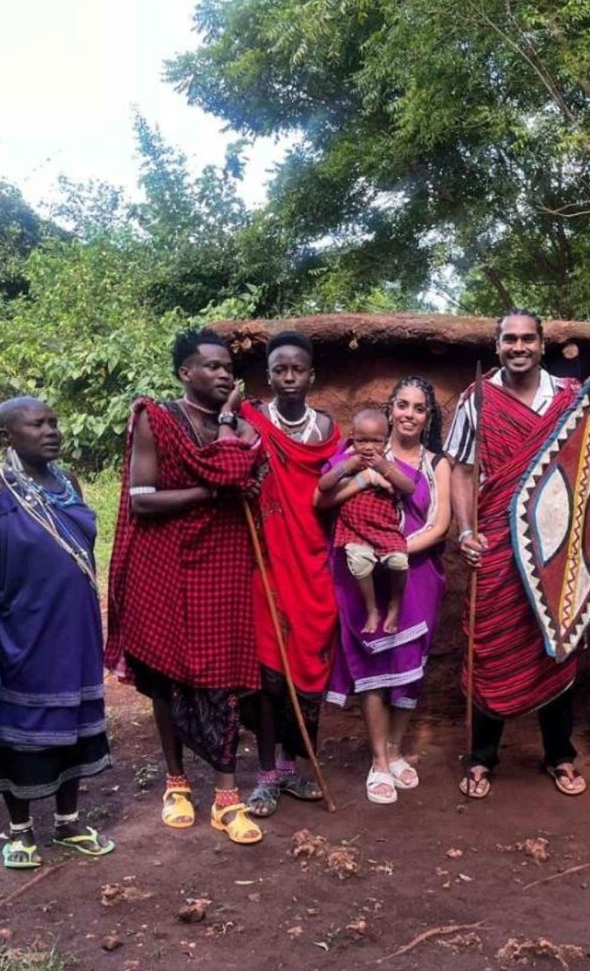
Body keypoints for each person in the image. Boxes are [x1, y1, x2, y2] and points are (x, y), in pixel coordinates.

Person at [0, 397, 114, 870]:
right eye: (37, 424)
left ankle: (69, 822)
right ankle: (20, 830)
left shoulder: (67, 483)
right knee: (18, 727)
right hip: (15, 632)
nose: (51, 430)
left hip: (74, 626)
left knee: (71, 718)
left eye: (54, 421)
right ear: (8, 436)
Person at [104, 328, 266, 845]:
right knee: (167, 675)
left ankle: (225, 795)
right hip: (165, 564)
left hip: (222, 562)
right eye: (211, 366)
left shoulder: (239, 427)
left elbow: (246, 476)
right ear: (185, 373)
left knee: (223, 674)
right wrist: (210, 488)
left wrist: (225, 432)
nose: (223, 374)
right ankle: (175, 783)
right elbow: (144, 499)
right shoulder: (157, 417)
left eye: (227, 368)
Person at [450, 309, 587, 799]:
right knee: (491, 640)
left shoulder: (572, 399)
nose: (519, 347)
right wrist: (465, 530)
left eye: (528, 338)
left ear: (542, 344)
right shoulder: (477, 399)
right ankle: (482, 757)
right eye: (509, 339)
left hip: (557, 544)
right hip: (495, 541)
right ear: (497, 345)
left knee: (556, 641)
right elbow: (462, 470)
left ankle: (560, 755)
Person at [324, 377, 452, 805]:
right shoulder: (364, 453)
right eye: (402, 405)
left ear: (428, 416)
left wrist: (391, 548)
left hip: (415, 576)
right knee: (372, 665)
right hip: (364, 578)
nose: (409, 414)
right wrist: (362, 482)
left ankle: (396, 750)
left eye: (419, 407)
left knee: (409, 666)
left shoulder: (437, 465)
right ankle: (378, 761)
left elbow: (439, 525)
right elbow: (323, 500)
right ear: (390, 408)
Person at [239, 331, 338, 819]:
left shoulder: (330, 433)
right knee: (267, 677)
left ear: (312, 375)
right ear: (269, 375)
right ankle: (266, 776)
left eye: (298, 369)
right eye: (280, 369)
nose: (289, 377)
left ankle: (294, 766)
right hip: (266, 564)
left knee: (310, 671)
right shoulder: (251, 423)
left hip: (315, 566)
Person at [318, 408, 416, 635]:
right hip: (353, 529)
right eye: (362, 440)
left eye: (376, 441)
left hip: (385, 528)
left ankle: (395, 602)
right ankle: (372, 610)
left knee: (399, 562)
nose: (369, 447)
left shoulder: (388, 463)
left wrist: (383, 469)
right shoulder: (346, 461)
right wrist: (347, 468)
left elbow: (409, 487)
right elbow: (323, 487)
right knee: (360, 566)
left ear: (386, 439)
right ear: (352, 437)